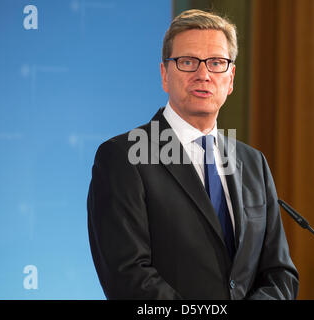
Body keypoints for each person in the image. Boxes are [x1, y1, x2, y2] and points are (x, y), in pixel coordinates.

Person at [87, 9, 299, 299]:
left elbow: (280, 275)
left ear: (231, 78)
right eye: (188, 62)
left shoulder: (253, 163)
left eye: (216, 63)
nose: (203, 75)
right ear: (164, 74)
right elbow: (128, 276)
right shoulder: (124, 157)